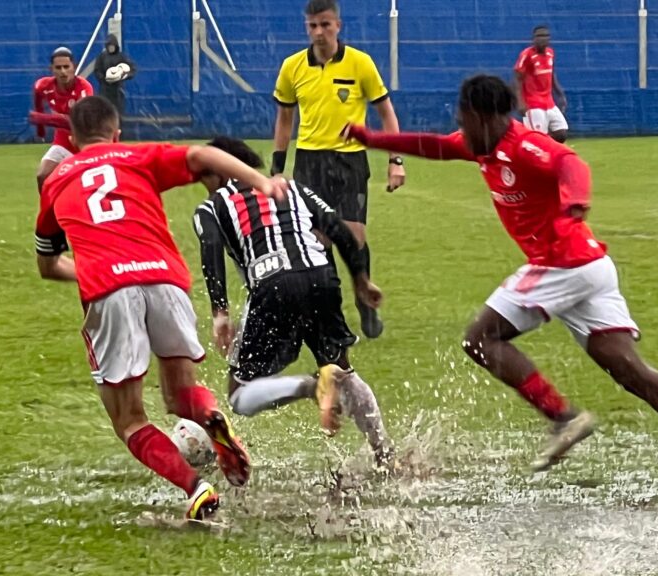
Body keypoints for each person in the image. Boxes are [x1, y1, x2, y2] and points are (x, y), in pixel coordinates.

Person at [342, 75, 658, 478]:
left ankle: (563, 417)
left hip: (562, 264)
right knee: (633, 373)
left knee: (480, 339)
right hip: (589, 268)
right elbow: (436, 146)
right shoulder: (481, 144)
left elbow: (569, 162)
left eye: (464, 117)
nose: (459, 126)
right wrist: (372, 138)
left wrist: (575, 201)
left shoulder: (523, 145)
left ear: (485, 117)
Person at [34, 96, 289, 520]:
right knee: (180, 395)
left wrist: (95, 270)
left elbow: (47, 266)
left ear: (73, 140)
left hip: (111, 289)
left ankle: (196, 488)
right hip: (166, 279)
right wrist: (262, 183)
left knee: (130, 420)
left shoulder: (58, 179)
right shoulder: (137, 155)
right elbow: (204, 154)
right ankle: (211, 418)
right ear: (117, 133)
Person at [192, 135, 395, 469]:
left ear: (222, 171)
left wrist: (220, 312)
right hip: (320, 277)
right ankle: (384, 452)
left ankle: (311, 386)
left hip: (273, 285)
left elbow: (211, 247)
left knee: (239, 394)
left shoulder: (212, 207)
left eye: (206, 179)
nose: (205, 188)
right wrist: (361, 279)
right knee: (341, 368)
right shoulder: (292, 188)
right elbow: (339, 231)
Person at [272, 0, 406, 339]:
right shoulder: (292, 67)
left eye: (325, 25)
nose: (319, 32)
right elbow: (285, 119)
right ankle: (331, 316)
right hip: (309, 161)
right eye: (313, 26)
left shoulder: (360, 64)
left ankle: (365, 300)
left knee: (353, 236)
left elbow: (386, 113)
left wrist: (396, 160)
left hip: (349, 160)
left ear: (338, 25)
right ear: (307, 27)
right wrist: (276, 168)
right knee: (317, 243)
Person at [33, 47, 94, 192]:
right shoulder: (43, 85)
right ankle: (48, 212)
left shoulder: (84, 88)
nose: (63, 72)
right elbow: (38, 107)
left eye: (66, 67)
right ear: (51, 69)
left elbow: (81, 123)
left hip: (83, 144)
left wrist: (49, 119)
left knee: (85, 184)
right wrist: (41, 129)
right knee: (42, 176)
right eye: (58, 68)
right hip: (62, 143)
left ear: (74, 67)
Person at [514, 25, 568, 143]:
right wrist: (520, 102)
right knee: (537, 138)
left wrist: (560, 93)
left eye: (545, 35)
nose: (542, 38)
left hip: (549, 102)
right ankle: (533, 155)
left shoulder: (550, 53)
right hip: (533, 104)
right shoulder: (527, 55)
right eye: (539, 36)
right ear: (533, 39)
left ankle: (543, 149)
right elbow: (518, 79)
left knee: (561, 133)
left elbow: (552, 74)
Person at [93, 34, 136, 118]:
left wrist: (124, 76)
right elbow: (97, 70)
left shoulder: (121, 57)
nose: (111, 48)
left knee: (117, 112)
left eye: (112, 46)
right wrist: (104, 79)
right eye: (109, 46)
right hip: (105, 89)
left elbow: (132, 69)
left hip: (117, 90)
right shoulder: (102, 56)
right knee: (104, 111)